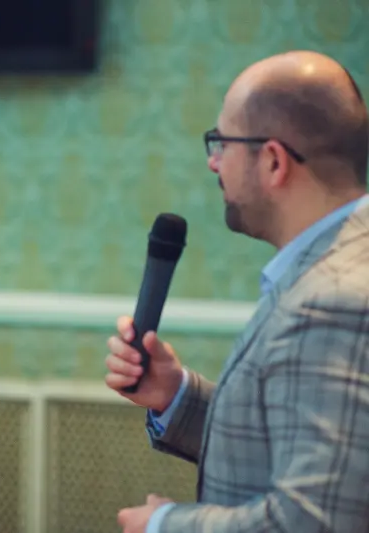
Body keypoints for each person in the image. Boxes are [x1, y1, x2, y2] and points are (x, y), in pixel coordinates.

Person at [106, 50, 369, 532]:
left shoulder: (334, 300)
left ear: (273, 161)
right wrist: (176, 394)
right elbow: (298, 444)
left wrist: (162, 524)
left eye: (222, 143)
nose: (213, 162)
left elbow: (315, 521)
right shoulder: (340, 262)